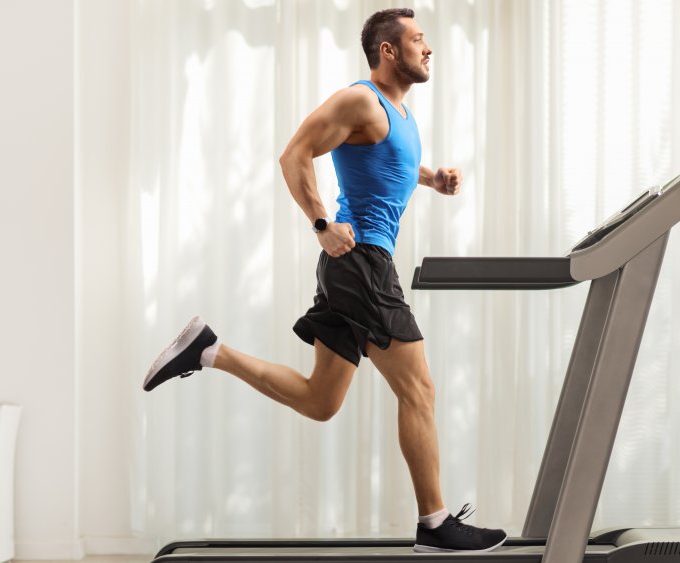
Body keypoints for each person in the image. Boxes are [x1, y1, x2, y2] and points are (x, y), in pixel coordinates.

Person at [141, 8, 507, 554]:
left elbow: (392, 166)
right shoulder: (361, 99)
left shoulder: (400, 114)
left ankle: (209, 350)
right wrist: (320, 224)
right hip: (361, 263)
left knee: (320, 401)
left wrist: (434, 178)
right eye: (418, 40)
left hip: (354, 267)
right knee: (420, 389)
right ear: (388, 50)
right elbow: (294, 155)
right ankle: (434, 523)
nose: (428, 49)